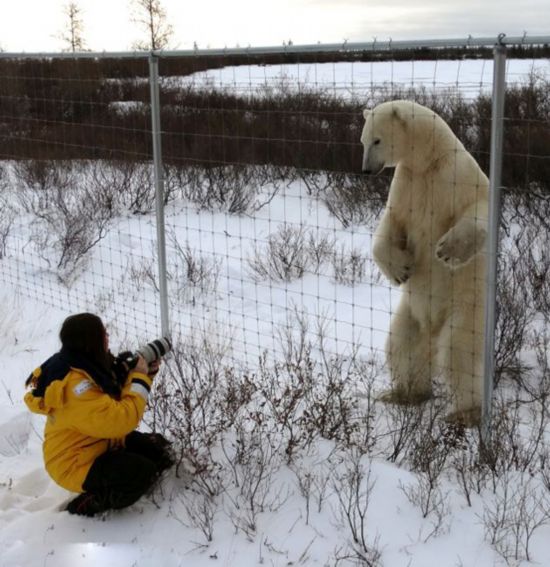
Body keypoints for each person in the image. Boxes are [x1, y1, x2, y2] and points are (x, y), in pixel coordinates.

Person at [24, 313, 174, 517]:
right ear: (91, 340)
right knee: (141, 473)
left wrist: (144, 374)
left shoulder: (84, 364)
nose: (107, 336)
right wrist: (139, 377)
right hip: (74, 463)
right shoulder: (74, 387)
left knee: (159, 451)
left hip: (97, 441)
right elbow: (121, 420)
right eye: (103, 333)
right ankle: (86, 504)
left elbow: (112, 397)